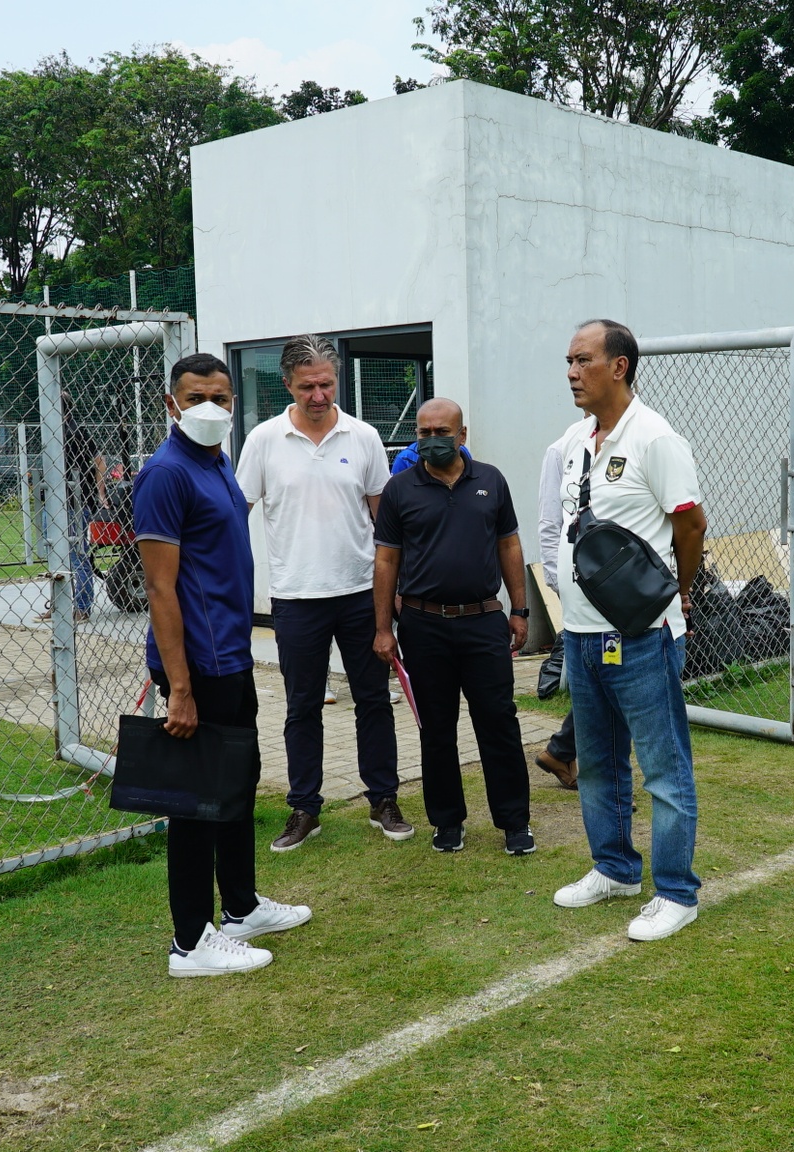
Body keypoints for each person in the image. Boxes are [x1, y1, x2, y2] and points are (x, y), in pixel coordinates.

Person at [137, 352, 311, 977]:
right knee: (196, 801)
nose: (210, 408)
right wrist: (178, 687)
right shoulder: (165, 473)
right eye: (195, 397)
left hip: (232, 656)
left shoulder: (217, 463)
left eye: (221, 397)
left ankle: (240, 907)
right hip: (198, 668)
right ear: (171, 404)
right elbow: (161, 590)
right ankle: (191, 941)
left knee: (236, 782)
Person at [550, 320, 707, 943]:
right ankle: (614, 868)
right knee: (597, 761)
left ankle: (676, 892)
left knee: (663, 767)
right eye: (567, 360)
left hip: (642, 633)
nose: (571, 371)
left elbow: (689, 526)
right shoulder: (574, 439)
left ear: (618, 367)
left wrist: (681, 592)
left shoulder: (656, 438)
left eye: (582, 360)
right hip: (582, 634)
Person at [235, 334, 408, 852]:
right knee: (301, 706)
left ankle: (383, 798)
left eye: (327, 383)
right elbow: (235, 512)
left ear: (337, 381)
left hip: (360, 594)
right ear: (287, 384)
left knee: (374, 700)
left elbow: (385, 520)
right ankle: (304, 808)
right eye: (307, 385)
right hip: (295, 599)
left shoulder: (363, 437)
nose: (318, 394)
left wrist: (394, 592)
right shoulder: (264, 440)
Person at [371, 398, 537, 855]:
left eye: (441, 431)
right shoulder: (400, 489)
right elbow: (386, 561)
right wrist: (383, 628)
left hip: (484, 621)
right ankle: (447, 823)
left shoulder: (491, 481)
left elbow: (509, 546)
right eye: (423, 433)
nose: (432, 440)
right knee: (436, 729)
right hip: (423, 626)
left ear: (462, 434)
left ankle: (514, 823)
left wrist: (519, 611)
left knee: (499, 724)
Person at [36, 395, 108, 624]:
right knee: (56, 555)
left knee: (76, 556)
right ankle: (60, 605)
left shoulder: (75, 431)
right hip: (55, 500)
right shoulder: (52, 432)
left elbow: (100, 463)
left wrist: (100, 493)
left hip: (75, 502)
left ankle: (82, 606)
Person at [532, 434, 578, 790]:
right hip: (581, 588)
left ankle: (562, 750)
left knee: (612, 681)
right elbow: (550, 523)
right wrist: (559, 581)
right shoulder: (562, 449)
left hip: (626, 591)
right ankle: (604, 779)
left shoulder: (640, 436)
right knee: (602, 681)